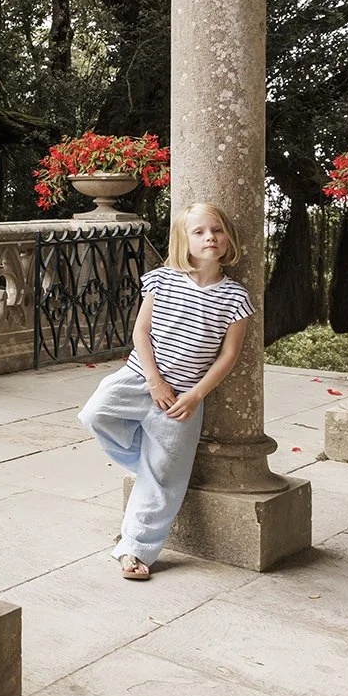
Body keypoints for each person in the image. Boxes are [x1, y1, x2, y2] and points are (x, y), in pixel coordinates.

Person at [78, 201, 253, 580]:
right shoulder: (163, 279)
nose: (210, 237)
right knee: (95, 414)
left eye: (217, 230)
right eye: (200, 231)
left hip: (183, 400)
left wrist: (195, 396)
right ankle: (145, 466)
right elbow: (141, 332)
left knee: (164, 477)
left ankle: (135, 550)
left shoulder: (235, 297)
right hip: (140, 378)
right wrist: (155, 380)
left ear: (227, 239)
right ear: (183, 240)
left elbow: (229, 355)